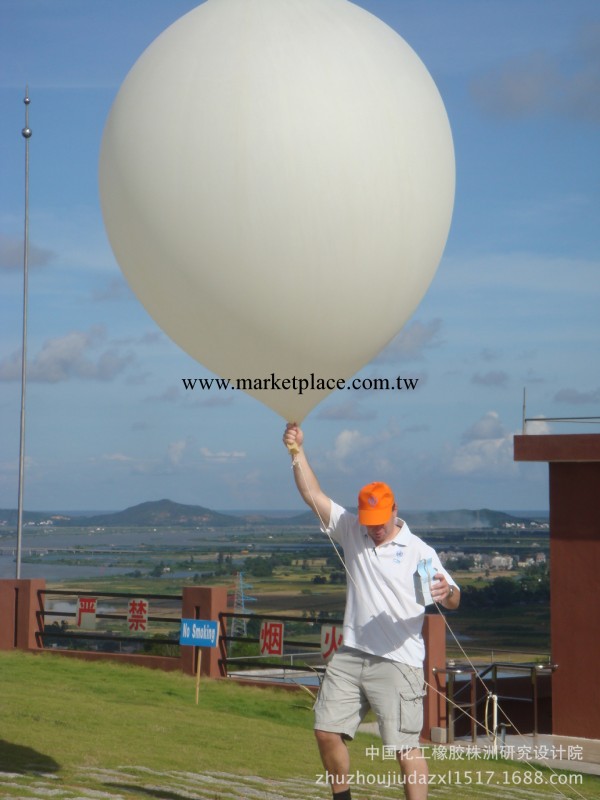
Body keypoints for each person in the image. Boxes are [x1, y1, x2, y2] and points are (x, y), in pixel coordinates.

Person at [283, 423, 460, 800]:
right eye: (369, 524)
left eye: (380, 524)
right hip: (351, 654)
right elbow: (312, 494)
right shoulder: (352, 529)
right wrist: (297, 452)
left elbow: (454, 596)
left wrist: (447, 593)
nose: (374, 530)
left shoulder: (419, 551)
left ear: (395, 511)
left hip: (399, 662)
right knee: (325, 730)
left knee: (404, 748)